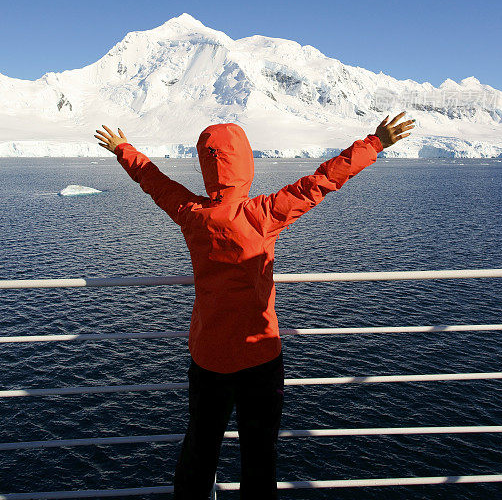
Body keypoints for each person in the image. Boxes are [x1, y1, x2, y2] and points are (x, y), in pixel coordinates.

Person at [94, 111, 415, 499]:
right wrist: (374, 143)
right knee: (260, 456)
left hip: (209, 358)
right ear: (245, 163)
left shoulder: (192, 215)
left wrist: (123, 149)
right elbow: (322, 181)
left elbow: (156, 183)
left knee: (199, 450)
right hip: (259, 355)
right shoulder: (263, 214)